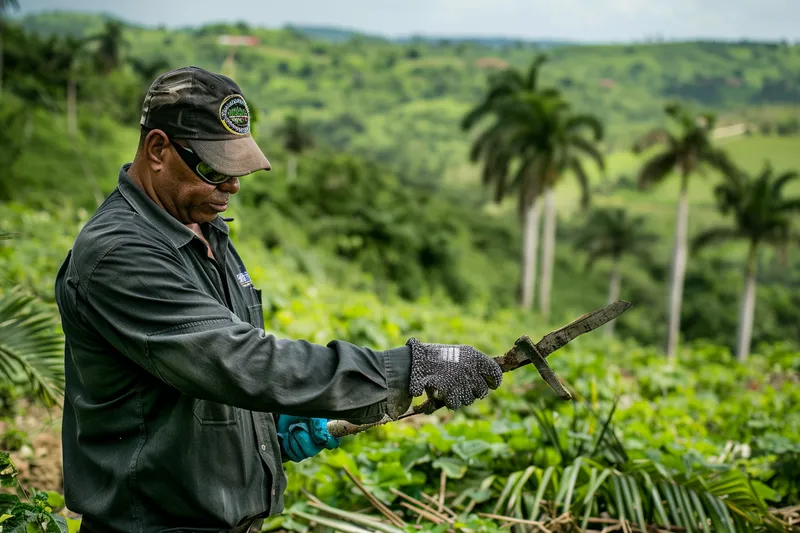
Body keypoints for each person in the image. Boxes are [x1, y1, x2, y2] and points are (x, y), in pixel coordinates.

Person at [54, 66, 503, 533]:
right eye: (214, 170)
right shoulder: (121, 256)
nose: (232, 187)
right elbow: (238, 360)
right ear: (158, 149)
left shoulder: (203, 229)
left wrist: (268, 423)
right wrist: (404, 369)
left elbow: (209, 373)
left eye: (237, 171)